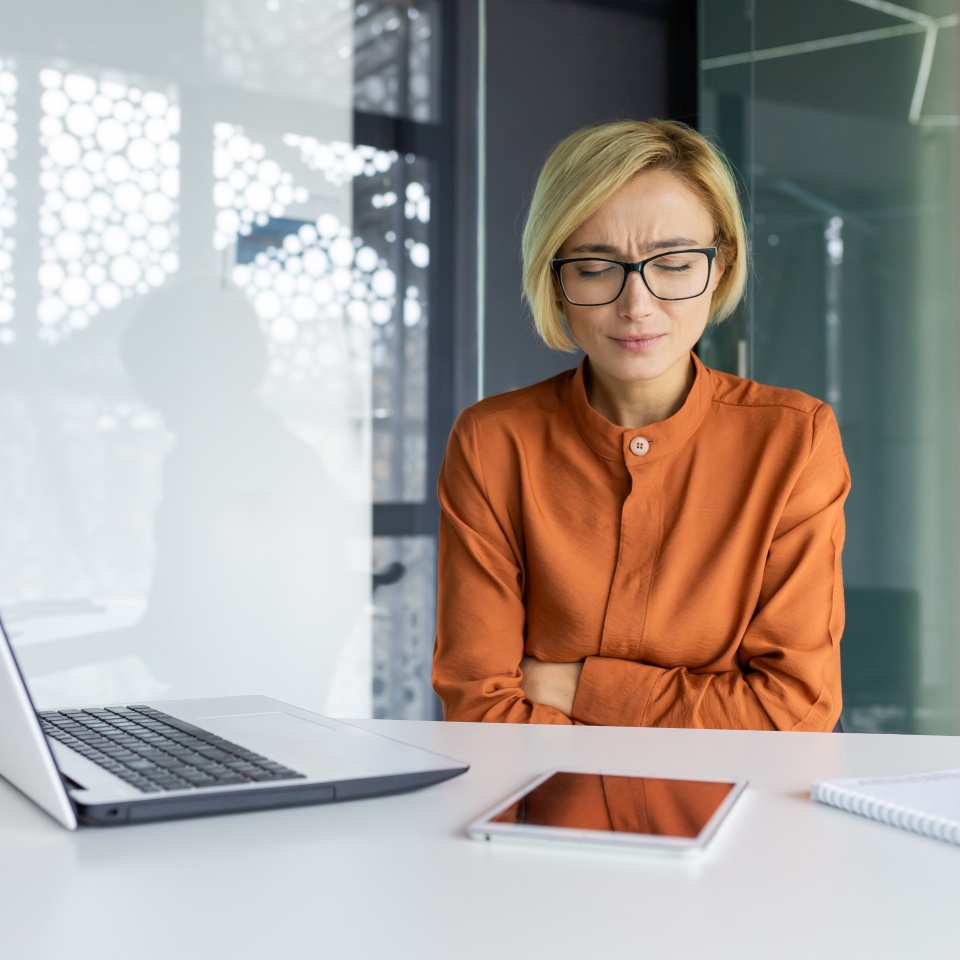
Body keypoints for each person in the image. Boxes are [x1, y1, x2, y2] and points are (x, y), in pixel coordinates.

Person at [432, 119, 850, 730]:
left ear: (720, 266)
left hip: (735, 812)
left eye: (675, 264)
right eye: (596, 267)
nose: (637, 305)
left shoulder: (794, 439)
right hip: (543, 812)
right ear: (556, 279)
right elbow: (480, 703)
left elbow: (792, 711)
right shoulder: (492, 442)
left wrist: (570, 686)